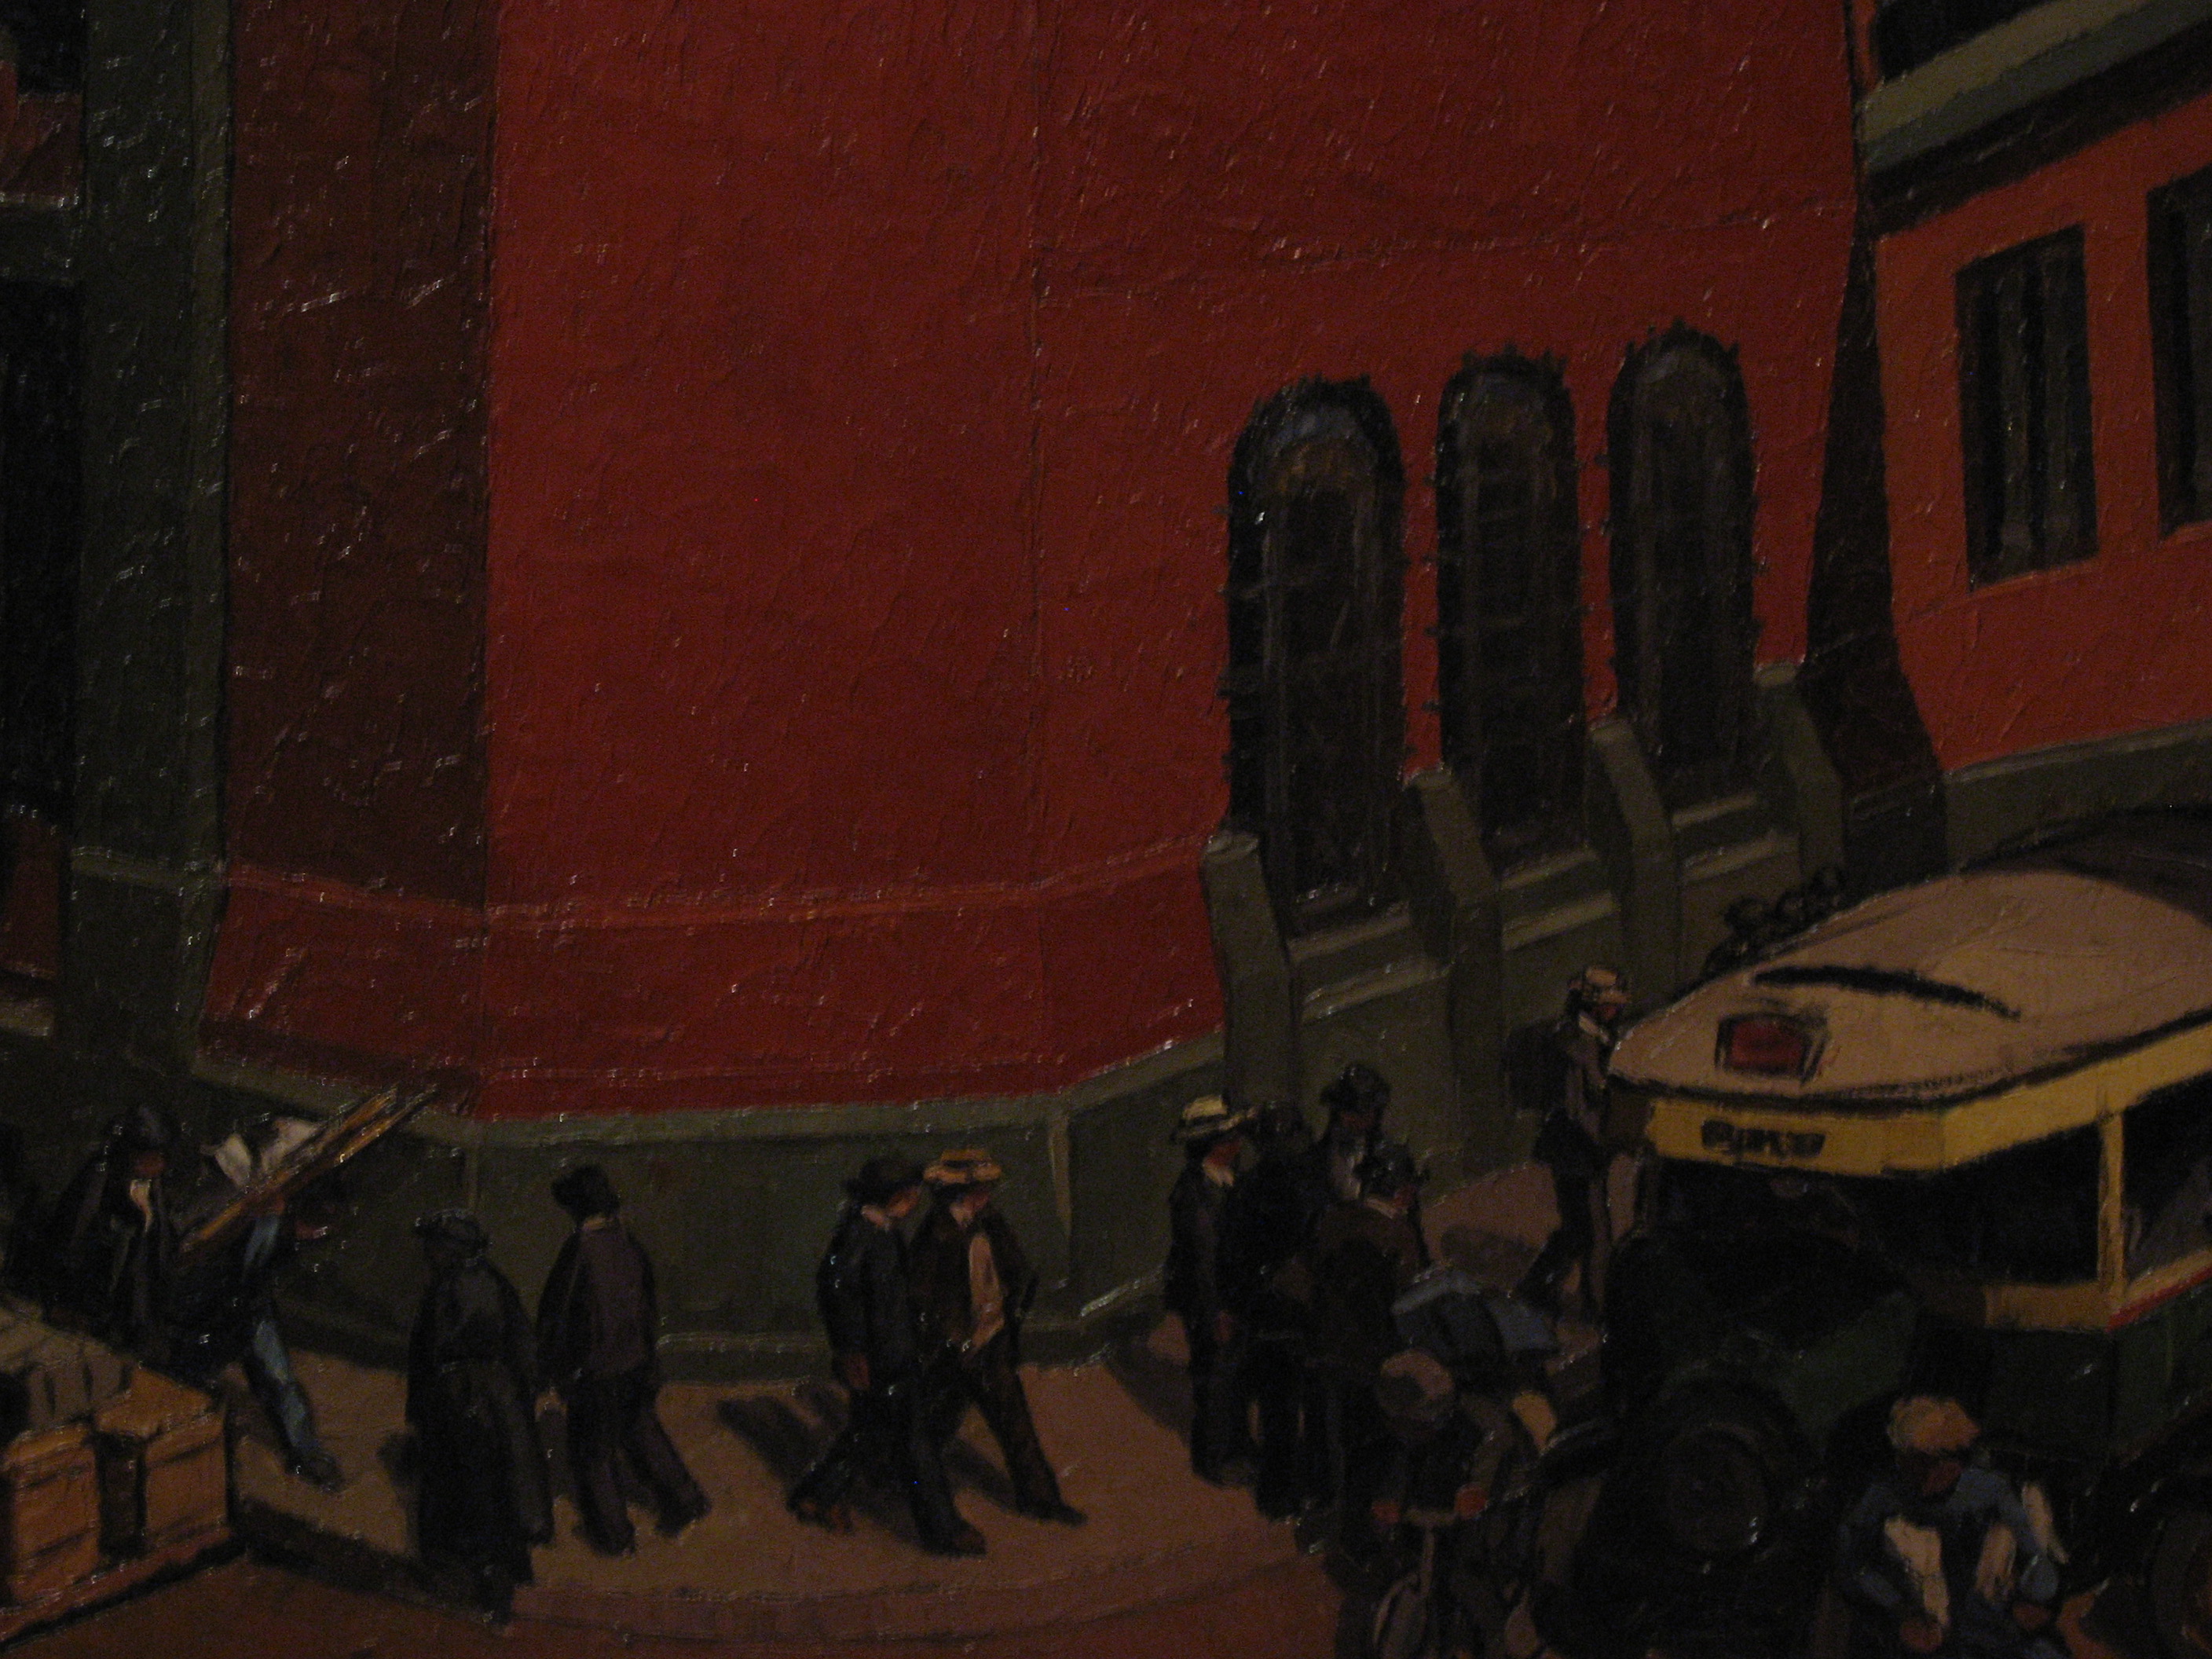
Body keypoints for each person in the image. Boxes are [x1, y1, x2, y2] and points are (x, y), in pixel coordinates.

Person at [786, 1155, 980, 1556]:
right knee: (915, 1444)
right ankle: (943, 1530)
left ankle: (817, 1494)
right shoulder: (860, 1237)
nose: (914, 1203)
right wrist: (851, 1350)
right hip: (880, 1358)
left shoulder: (881, 1231)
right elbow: (836, 1294)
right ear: (893, 1198)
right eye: (910, 1197)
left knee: (869, 1431)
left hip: (893, 1353)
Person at [535, 1165, 708, 1555]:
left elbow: (555, 1316)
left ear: (575, 1208)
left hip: (595, 1371)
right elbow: (647, 1310)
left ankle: (614, 1535)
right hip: (635, 1363)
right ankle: (686, 1500)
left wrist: (547, 1369)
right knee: (641, 1432)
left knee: (592, 1453)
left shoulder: (579, 1251)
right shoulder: (629, 1244)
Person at [165, 1115, 343, 1491]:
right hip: (211, 1308)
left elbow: (267, 1264)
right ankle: (182, 1456)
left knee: (280, 1380)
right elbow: (192, 1254)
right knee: (189, 1382)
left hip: (250, 1307)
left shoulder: (281, 1215)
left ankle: (306, 1453)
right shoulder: (224, 1204)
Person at [909, 1148, 1085, 1528]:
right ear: (958, 1193)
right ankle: (905, 1482)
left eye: (987, 1188)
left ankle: (1041, 1500)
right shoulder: (935, 1235)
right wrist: (955, 1339)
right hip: (954, 1349)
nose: (987, 1195)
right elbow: (923, 1298)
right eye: (980, 1189)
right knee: (934, 1421)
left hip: (991, 1341)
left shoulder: (990, 1221)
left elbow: (1016, 1268)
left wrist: (1008, 1314)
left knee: (1015, 1423)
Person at [406, 1209, 552, 1620]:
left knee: (471, 1488)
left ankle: (486, 1584)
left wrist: (421, 1408)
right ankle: (514, 1570)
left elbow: (428, 1354)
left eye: (434, 1246)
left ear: (448, 1250)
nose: (428, 1253)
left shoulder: (444, 1290)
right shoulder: (496, 1283)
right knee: (505, 1481)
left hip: (460, 1397)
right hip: (501, 1397)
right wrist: (523, 1392)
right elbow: (523, 1344)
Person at [1836, 1397, 2062, 1658]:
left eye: (1936, 1462)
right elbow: (1853, 1563)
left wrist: (2031, 1598)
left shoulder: (1989, 1490)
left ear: (1958, 1461)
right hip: (1921, 1633)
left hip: (1992, 1627)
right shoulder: (1882, 1496)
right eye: (1914, 1461)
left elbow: (2035, 1553)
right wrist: (1899, 1609)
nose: (1926, 1475)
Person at [1306, 1142, 1428, 1554]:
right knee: (1386, 1451)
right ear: (1401, 1191)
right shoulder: (1399, 1235)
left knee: (1348, 1449)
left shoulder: (1334, 1221)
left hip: (1332, 1356)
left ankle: (1350, 1536)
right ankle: (1377, 1541)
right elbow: (1409, 1303)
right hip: (1378, 1362)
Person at [1221, 1100, 1331, 1518]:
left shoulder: (1249, 1190)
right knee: (1310, 1407)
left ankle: (1282, 1496)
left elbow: (1234, 1260)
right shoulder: (1312, 1183)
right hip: (1300, 1313)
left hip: (1276, 1315)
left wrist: (1239, 1305)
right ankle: (1313, 1490)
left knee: (1282, 1412)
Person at [1516, 966, 1630, 1320]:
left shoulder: (1590, 1037)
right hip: (1577, 1149)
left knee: (1578, 1228)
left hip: (1574, 1147)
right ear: (1592, 1005)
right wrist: (1609, 1141)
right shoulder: (1577, 1045)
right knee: (1596, 1234)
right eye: (1609, 1004)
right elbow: (1581, 1110)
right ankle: (1599, 1308)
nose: (1616, 1009)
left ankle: (1536, 1287)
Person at [1164, 1095, 1255, 1485]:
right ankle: (1215, 1458)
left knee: (1237, 1375)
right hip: (1208, 1302)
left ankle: (1239, 1446)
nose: (1238, 1143)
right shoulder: (1194, 1194)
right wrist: (1217, 1311)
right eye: (1230, 1138)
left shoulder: (1229, 1180)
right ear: (1212, 1146)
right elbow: (1203, 1262)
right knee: (1215, 1378)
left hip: (1231, 1296)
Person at [43, 1104, 181, 1355]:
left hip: (121, 1317)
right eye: (151, 1155)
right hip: (86, 1305)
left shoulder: (155, 1192)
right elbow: (74, 1235)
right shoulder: (101, 1179)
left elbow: (158, 1248)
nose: (157, 1164)